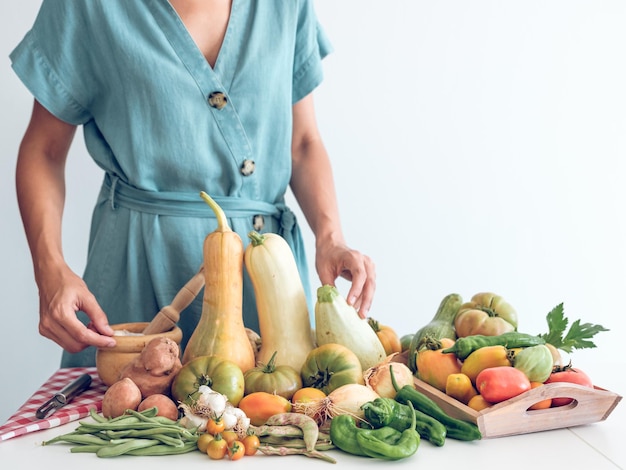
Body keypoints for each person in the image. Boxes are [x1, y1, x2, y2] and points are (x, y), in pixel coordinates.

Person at [10, 0, 376, 367]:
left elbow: (302, 143)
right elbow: (44, 150)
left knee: (268, 417)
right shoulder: (85, 7)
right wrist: (49, 269)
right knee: (122, 417)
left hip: (266, 285)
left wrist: (330, 239)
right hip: (136, 279)